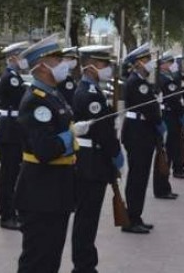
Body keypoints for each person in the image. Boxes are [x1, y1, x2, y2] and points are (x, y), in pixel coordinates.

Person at [14, 34, 77, 273]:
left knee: (51, 259)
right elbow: (44, 150)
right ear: (41, 66)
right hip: (40, 192)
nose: (63, 63)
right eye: (56, 59)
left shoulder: (53, 95)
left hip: (56, 190)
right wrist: (71, 137)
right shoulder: (36, 101)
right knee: (37, 260)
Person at [70, 46, 125, 273]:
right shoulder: (89, 94)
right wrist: (115, 153)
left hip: (93, 158)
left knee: (88, 217)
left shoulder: (92, 90)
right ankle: (83, 266)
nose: (108, 69)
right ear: (91, 66)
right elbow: (103, 130)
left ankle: (85, 263)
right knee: (87, 217)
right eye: (104, 65)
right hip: (91, 162)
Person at [121, 43, 162, 234]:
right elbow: (150, 110)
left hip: (142, 131)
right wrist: (158, 115)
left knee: (141, 177)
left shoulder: (141, 81)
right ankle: (130, 219)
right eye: (146, 61)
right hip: (138, 133)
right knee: (137, 177)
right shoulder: (136, 82)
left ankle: (136, 215)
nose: (150, 64)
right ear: (137, 64)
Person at [0, 40, 29, 231]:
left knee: (14, 174)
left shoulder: (16, 76)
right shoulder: (11, 78)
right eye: (22, 57)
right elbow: (22, 100)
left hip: (14, 130)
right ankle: (7, 215)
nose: (24, 61)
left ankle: (13, 212)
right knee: (8, 176)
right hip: (10, 131)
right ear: (13, 58)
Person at [155, 52, 183, 193]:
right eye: (170, 62)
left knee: (171, 151)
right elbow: (173, 96)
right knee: (166, 153)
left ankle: (164, 186)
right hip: (167, 115)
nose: (173, 65)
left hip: (171, 114)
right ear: (164, 64)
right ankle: (162, 187)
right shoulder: (163, 79)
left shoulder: (167, 77)